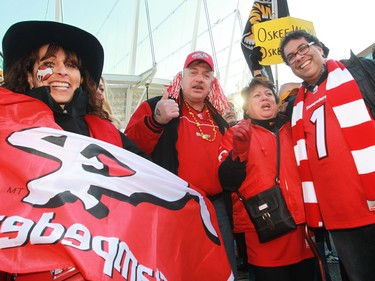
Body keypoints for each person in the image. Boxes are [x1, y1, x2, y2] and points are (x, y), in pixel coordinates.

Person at [125, 50, 239, 279]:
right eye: (193, 72)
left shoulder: (218, 116)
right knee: (179, 270)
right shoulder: (158, 105)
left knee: (224, 269)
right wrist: (155, 120)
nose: (199, 79)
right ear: (181, 77)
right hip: (174, 207)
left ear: (211, 83)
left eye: (206, 75)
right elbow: (128, 148)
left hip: (216, 208)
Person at [280, 29, 375, 281]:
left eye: (303, 48)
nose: (299, 57)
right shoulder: (295, 108)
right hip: (339, 216)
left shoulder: (358, 72)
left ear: (320, 48)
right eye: (291, 57)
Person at [2, 20, 147, 159]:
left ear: (81, 78)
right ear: (29, 77)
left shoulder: (109, 132)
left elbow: (150, 176)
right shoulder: (5, 123)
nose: (62, 71)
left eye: (71, 65)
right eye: (49, 63)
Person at [218, 77, 315, 281]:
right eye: (257, 95)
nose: (265, 98)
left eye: (269, 94)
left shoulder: (293, 127)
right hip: (264, 231)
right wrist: (238, 153)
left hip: (304, 229)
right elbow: (226, 181)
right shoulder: (236, 133)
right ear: (247, 107)